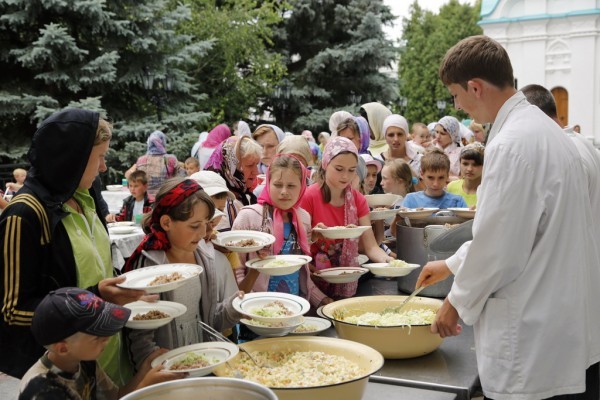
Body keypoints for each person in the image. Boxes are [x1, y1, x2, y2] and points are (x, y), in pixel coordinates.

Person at [416, 35, 598, 399]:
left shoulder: (512, 143)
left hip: (533, 339)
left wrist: (454, 303)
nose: (459, 105)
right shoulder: (545, 130)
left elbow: (501, 248)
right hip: (561, 325)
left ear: (475, 87)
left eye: (456, 94)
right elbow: (517, 225)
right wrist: (452, 263)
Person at [0, 109, 146, 383]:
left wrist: (118, 291)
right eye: (100, 157)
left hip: (107, 353)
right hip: (66, 372)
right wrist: (94, 299)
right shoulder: (25, 214)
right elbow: (11, 311)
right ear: (72, 159)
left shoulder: (86, 196)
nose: (103, 167)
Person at [123, 178, 242, 369]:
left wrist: (234, 307)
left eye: (206, 223)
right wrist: (155, 371)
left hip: (203, 363)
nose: (204, 232)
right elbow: (140, 337)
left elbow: (208, 321)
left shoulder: (203, 258)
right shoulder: (149, 266)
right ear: (166, 222)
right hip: (167, 371)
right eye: (195, 225)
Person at [19, 288, 182, 399]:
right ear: (62, 348)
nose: (107, 338)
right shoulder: (43, 390)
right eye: (97, 337)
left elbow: (117, 396)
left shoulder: (84, 361)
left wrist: (145, 370)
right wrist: (147, 384)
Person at [299, 136, 394, 300]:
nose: (345, 176)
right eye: (339, 169)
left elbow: (371, 247)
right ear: (325, 164)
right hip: (312, 279)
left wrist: (390, 263)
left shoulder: (358, 200)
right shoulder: (309, 196)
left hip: (346, 279)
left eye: (352, 170)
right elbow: (299, 243)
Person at [232, 154, 332, 307]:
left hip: (294, 309)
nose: (284, 191)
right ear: (268, 184)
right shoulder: (248, 217)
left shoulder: (302, 218)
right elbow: (236, 273)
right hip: (258, 310)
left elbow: (302, 275)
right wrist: (254, 308)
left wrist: (323, 301)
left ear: (302, 187)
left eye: (291, 186)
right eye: (278, 185)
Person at [402, 148, 467, 210]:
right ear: (422, 174)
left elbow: (468, 221)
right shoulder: (411, 200)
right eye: (430, 178)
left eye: (441, 178)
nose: (435, 184)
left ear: (447, 176)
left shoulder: (457, 202)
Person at [445, 143, 484, 208]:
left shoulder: (487, 190)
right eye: (465, 164)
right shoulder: (451, 187)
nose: (469, 169)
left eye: (475, 165)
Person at [433, 116, 462, 180]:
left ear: (452, 135)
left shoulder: (461, 152)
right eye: (437, 132)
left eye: (442, 134)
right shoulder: (431, 150)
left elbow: (464, 178)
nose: (438, 136)